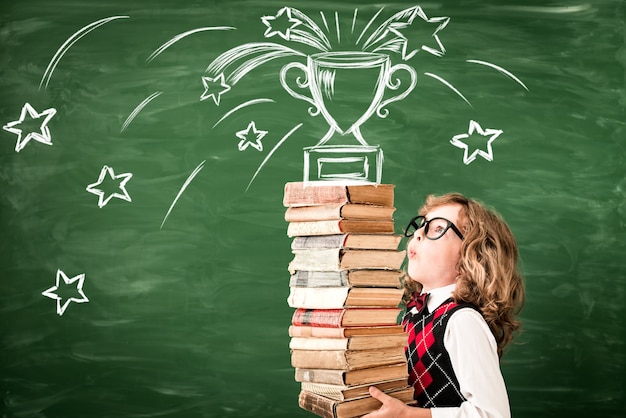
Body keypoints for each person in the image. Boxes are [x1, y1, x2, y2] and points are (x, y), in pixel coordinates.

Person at [364, 192, 525, 418]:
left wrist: (408, 416)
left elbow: (492, 414)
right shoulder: (413, 314)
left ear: (472, 256)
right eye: (421, 226)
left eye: (437, 229)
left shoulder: (462, 321)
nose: (418, 234)